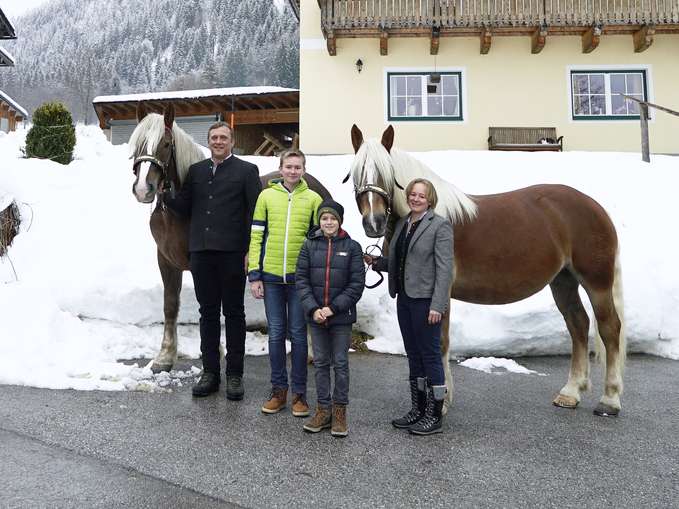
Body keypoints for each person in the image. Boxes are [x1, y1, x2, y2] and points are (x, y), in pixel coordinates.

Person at [164, 122, 261, 399]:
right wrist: (165, 193)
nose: (218, 142)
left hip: (232, 254)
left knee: (234, 314)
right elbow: (184, 206)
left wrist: (250, 252)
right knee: (207, 314)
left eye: (223, 138)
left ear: (232, 141)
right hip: (202, 254)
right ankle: (210, 373)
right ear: (208, 142)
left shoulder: (246, 171)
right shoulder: (197, 171)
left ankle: (234, 375)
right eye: (214, 138)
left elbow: (254, 215)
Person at [364, 178, 454, 435]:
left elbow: (445, 270)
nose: (415, 199)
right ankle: (418, 408)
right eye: (412, 194)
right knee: (414, 355)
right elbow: (401, 261)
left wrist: (438, 305)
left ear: (430, 199)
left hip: (426, 302)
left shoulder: (440, 226)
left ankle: (434, 415)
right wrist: (378, 262)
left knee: (430, 356)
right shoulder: (404, 224)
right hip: (405, 299)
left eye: (421, 196)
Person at [248, 149, 323, 417]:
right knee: (277, 334)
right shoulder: (266, 196)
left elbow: (317, 243)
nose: (293, 171)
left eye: (297, 167)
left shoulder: (313, 199)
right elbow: (256, 237)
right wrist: (254, 274)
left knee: (299, 336)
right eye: (288, 166)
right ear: (280, 169)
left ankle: (299, 395)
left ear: (304, 169)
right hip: (270, 279)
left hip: (299, 281)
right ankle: (279, 391)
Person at [295, 200, 365, 437]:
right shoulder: (309, 245)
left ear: (340, 221)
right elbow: (301, 280)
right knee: (321, 363)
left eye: (333, 218)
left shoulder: (352, 247)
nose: (328, 222)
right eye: (324, 218)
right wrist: (314, 308)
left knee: (341, 364)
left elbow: (356, 285)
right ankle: (323, 410)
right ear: (319, 221)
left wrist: (332, 308)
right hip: (315, 316)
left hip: (340, 317)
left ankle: (339, 412)